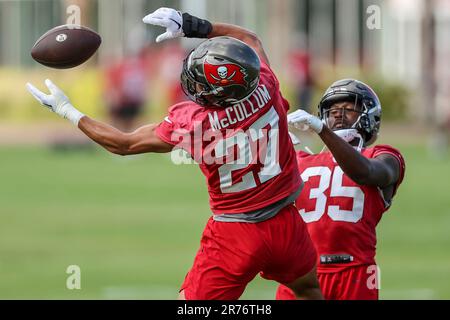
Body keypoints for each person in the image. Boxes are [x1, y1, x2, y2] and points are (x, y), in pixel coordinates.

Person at [26, 7, 323, 300]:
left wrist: (69, 111)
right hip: (286, 222)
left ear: (212, 94)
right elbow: (249, 38)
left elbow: (123, 144)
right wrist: (193, 25)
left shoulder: (193, 123)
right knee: (308, 290)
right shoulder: (266, 88)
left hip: (235, 231)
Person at [276, 79, 406, 300]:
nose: (338, 115)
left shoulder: (383, 156)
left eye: (348, 109)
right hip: (301, 274)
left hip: (354, 271)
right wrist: (275, 145)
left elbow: (365, 172)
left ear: (368, 116)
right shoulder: (298, 160)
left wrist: (322, 130)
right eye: (333, 110)